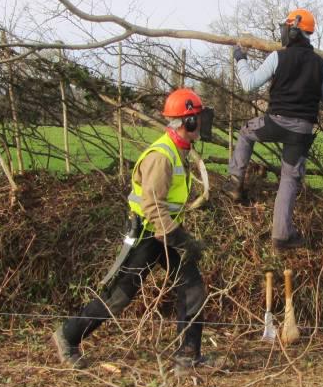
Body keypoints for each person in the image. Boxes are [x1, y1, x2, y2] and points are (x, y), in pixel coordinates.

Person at [53, 88, 213, 371]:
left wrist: (179, 236)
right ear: (187, 122)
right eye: (197, 117)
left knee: (193, 287)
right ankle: (67, 336)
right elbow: (152, 205)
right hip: (148, 235)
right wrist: (182, 239)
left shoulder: (179, 151)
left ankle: (188, 356)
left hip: (164, 232)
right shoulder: (162, 156)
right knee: (120, 296)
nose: (202, 122)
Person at [224, 8, 323, 251]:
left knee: (246, 132)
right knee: (289, 179)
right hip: (302, 130)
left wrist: (240, 58)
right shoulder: (321, 65)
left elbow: (248, 84)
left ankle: (235, 182)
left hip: (275, 122)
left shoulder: (278, 57)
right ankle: (281, 236)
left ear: (293, 29)